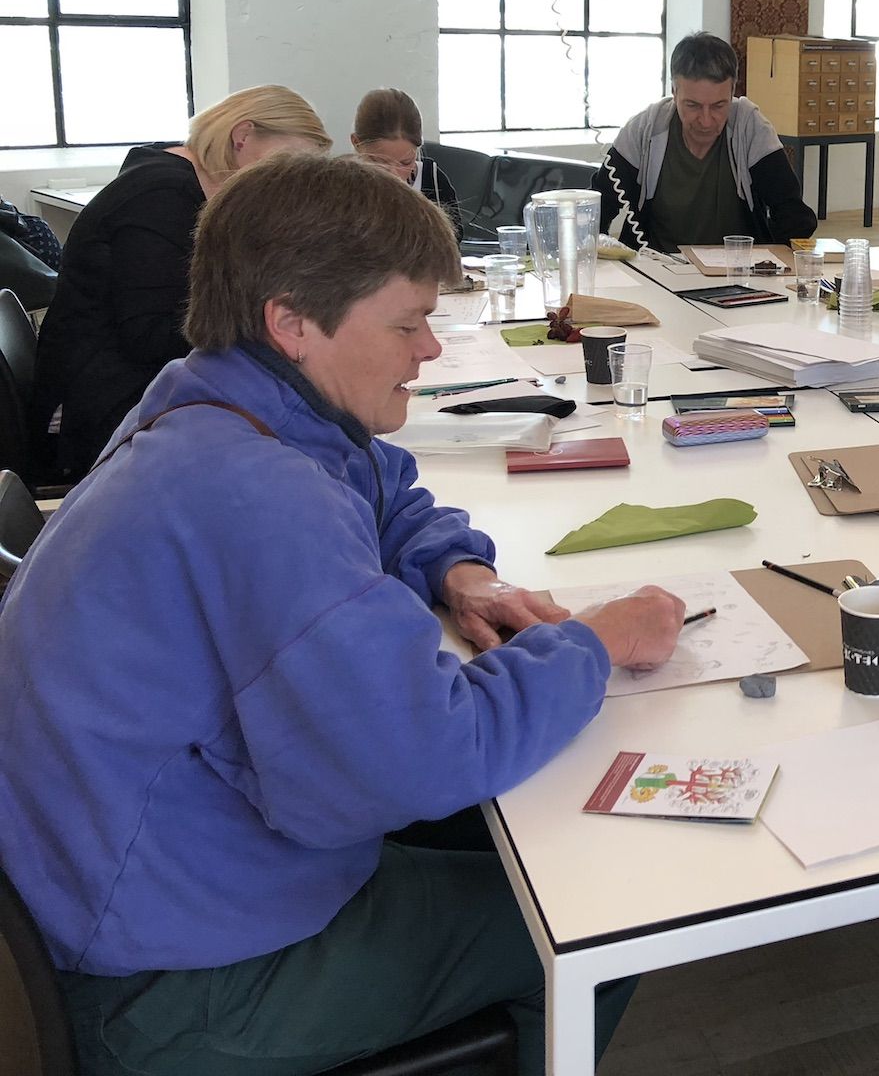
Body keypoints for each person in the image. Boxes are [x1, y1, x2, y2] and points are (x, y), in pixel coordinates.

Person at [0, 153, 686, 1076]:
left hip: (128, 885)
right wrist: (594, 642)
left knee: (522, 822)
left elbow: (380, 490)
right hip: (167, 981)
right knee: (598, 916)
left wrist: (461, 573)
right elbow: (426, 754)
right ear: (292, 323)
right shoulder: (258, 495)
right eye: (408, 323)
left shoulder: (219, 403)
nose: (430, 350)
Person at [31, 85, 332, 478]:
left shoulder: (176, 178)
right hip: (98, 409)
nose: (286, 182)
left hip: (124, 382)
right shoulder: (161, 193)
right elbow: (151, 334)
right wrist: (270, 327)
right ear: (243, 136)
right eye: (286, 162)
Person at [592, 32, 816, 252]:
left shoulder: (750, 127)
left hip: (736, 274)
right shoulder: (645, 130)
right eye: (692, 105)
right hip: (656, 271)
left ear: (733, 92)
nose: (706, 121)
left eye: (719, 106)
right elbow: (596, 211)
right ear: (673, 92)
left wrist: (766, 268)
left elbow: (794, 215)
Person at [350, 87, 465, 240]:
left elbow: (452, 245)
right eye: (379, 162)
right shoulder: (343, 191)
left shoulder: (433, 182)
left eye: (405, 163)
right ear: (356, 143)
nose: (394, 175)